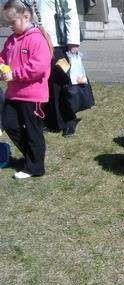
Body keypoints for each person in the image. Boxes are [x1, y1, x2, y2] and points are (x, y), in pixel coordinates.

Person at [0, 0, 52, 179]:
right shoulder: (11, 40)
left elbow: (38, 67)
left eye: (12, 22)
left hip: (32, 96)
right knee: (9, 123)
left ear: (26, 17)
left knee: (32, 131)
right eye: (7, 23)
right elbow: (3, 57)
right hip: (13, 94)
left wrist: (14, 75)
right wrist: (2, 66)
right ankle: (31, 156)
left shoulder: (37, 39)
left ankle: (35, 167)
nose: (10, 26)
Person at [36, 0, 81, 137]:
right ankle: (49, 120)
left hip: (57, 42)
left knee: (61, 83)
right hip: (36, 40)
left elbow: (70, 10)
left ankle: (68, 121)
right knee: (43, 82)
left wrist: (72, 41)